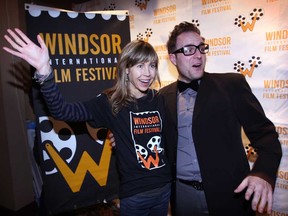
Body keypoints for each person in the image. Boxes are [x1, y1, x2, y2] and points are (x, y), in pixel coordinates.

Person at [3, 28, 172, 216]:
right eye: (140, 66)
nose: (147, 73)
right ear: (126, 69)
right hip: (135, 195)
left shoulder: (159, 99)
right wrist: (45, 71)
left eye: (152, 66)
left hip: (163, 188)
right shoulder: (110, 102)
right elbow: (62, 111)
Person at [159, 21, 282, 216]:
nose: (199, 55)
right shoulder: (161, 97)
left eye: (201, 47)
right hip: (182, 198)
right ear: (173, 58)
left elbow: (267, 137)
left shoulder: (232, 85)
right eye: (189, 50)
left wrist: (263, 174)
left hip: (231, 196)